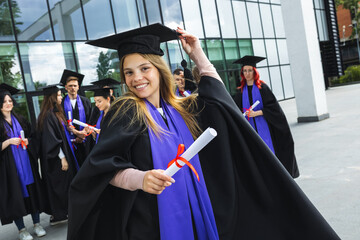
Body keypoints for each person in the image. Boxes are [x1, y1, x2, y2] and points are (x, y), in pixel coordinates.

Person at [68, 24, 340, 240]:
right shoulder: (127, 110)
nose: (136, 78)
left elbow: (218, 100)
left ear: (159, 69)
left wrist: (197, 53)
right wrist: (140, 179)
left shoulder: (181, 108)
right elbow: (102, 168)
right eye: (128, 72)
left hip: (197, 208)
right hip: (153, 222)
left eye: (144, 68)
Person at [232, 55, 299, 178]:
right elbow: (235, 110)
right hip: (250, 128)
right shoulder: (240, 92)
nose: (247, 73)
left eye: (250, 70)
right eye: (245, 71)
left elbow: (274, 109)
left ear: (254, 72)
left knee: (269, 150)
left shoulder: (262, 88)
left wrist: (256, 113)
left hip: (265, 126)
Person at [0, 83, 47, 240]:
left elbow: (33, 137)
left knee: (33, 192)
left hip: (27, 164)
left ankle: (36, 224)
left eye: (10, 101)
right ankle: (21, 230)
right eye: (5, 101)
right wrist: (8, 142)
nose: (9, 103)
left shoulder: (20, 118)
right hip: (10, 168)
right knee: (16, 196)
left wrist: (28, 141)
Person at [37, 84, 79, 226]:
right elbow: (52, 140)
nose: (61, 97)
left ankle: (64, 212)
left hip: (59, 157)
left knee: (64, 185)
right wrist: (62, 158)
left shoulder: (54, 113)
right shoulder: (49, 115)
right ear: (52, 97)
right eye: (59, 95)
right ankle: (59, 215)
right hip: (55, 160)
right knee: (59, 186)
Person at [60, 70, 92, 167]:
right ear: (66, 87)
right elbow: (62, 121)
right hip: (69, 142)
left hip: (85, 141)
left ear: (78, 87)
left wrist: (83, 135)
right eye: (70, 86)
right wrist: (76, 134)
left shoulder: (85, 101)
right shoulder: (61, 103)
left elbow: (90, 120)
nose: (72, 88)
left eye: (75, 85)